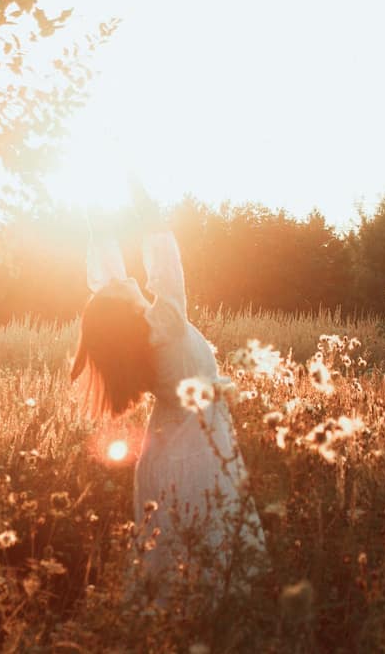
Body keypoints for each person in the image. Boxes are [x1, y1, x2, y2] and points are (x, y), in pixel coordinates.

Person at [71, 185, 266, 604]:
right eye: (121, 285)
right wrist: (142, 199)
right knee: (208, 551)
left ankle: (165, 634)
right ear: (123, 307)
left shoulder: (134, 334)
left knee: (170, 561)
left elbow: (108, 278)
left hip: (164, 450)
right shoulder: (164, 324)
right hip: (198, 451)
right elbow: (165, 264)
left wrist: (96, 224)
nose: (125, 280)